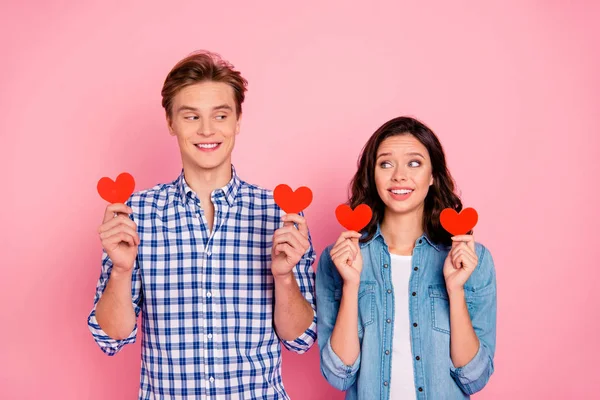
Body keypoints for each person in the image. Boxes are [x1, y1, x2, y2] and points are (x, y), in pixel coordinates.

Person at [88, 50, 317, 399]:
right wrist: (121, 271)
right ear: (171, 122)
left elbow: (299, 338)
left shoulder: (279, 213)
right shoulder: (137, 213)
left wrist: (284, 277)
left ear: (237, 121)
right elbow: (111, 335)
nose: (207, 130)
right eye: (191, 116)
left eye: (220, 115)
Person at [316, 116, 497, 399]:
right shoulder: (339, 259)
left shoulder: (472, 260)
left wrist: (455, 290)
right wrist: (351, 285)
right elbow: (339, 374)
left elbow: (474, 376)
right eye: (386, 164)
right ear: (372, 175)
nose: (399, 175)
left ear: (433, 175)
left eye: (414, 163)